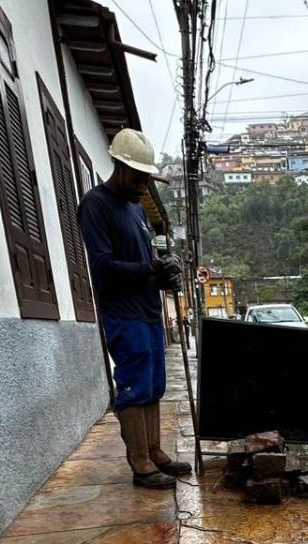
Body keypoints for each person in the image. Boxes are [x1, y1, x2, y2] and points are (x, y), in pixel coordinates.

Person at [77, 128, 188, 489]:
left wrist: (162, 277)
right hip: (123, 313)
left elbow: (147, 262)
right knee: (134, 387)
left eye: (146, 177)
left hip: (148, 310)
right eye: (138, 176)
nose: (143, 184)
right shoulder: (96, 205)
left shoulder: (137, 207)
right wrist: (149, 270)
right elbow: (103, 266)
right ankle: (139, 464)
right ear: (119, 167)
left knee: (154, 384)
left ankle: (154, 450)